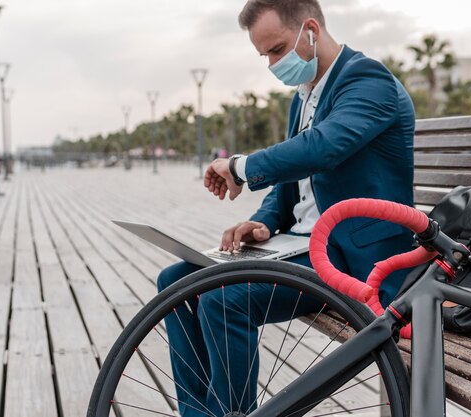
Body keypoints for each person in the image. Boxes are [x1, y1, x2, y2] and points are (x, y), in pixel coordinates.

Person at [157, 1, 416, 415]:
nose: (273, 64)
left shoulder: (367, 80)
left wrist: (240, 167)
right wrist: (260, 223)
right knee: (174, 281)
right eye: (265, 56)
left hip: (354, 261)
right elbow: (294, 183)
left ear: (310, 30)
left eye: (277, 50)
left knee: (225, 298)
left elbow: (322, 149)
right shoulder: (305, 96)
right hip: (301, 247)